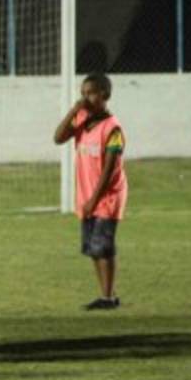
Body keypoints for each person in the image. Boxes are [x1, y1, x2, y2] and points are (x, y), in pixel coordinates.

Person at [53, 73, 128, 310]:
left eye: (91, 93)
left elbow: (109, 170)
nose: (86, 98)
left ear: (105, 95)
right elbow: (58, 138)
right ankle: (107, 294)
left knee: (104, 247)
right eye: (83, 93)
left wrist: (94, 200)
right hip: (87, 196)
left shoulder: (113, 128)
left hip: (107, 195)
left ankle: (108, 298)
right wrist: (74, 112)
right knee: (93, 249)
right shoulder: (82, 120)